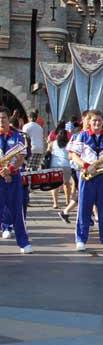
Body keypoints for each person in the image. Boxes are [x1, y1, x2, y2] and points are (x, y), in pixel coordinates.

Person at [69, 109, 103, 252]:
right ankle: (81, 239)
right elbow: (74, 157)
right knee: (84, 208)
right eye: (94, 121)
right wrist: (86, 165)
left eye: (99, 121)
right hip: (87, 175)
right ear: (89, 122)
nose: (97, 123)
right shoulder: (82, 136)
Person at [0, 106, 33, 253]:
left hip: (13, 177)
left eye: (4, 118)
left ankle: (23, 243)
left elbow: (20, 158)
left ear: (9, 119)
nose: (1, 121)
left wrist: (10, 170)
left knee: (17, 210)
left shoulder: (18, 137)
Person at [48, 122, 73, 209]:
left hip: (55, 165)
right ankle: (68, 201)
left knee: (54, 185)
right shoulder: (69, 144)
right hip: (66, 165)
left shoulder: (53, 143)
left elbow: (48, 152)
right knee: (67, 184)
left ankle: (55, 203)